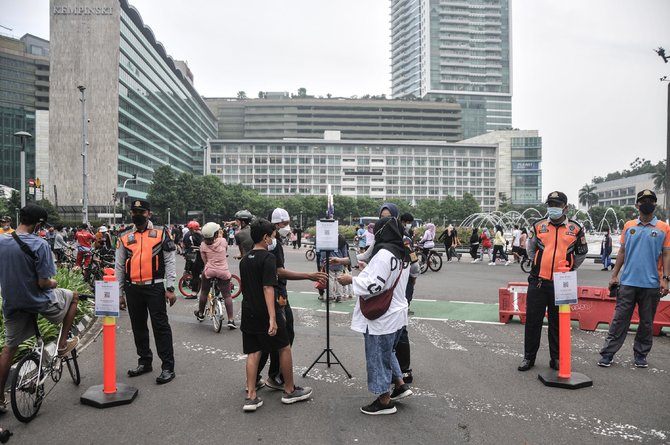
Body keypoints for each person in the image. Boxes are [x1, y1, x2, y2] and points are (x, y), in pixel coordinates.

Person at [0, 204, 79, 413]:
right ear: (38, 224)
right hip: (38, 300)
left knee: (9, 348)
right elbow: (44, 283)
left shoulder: (1, 241)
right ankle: (62, 344)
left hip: (12, 303)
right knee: (74, 297)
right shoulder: (40, 244)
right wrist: (53, 283)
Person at [337, 217, 412, 415]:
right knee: (387, 352)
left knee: (377, 356)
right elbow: (387, 278)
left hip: (382, 317)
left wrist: (350, 280)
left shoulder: (384, 254)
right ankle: (400, 384)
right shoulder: (402, 252)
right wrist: (366, 270)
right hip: (397, 312)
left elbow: (375, 285)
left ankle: (384, 400)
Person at [240, 218, 313, 412]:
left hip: (248, 311)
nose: (274, 239)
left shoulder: (245, 259)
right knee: (284, 347)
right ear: (265, 237)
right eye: (272, 236)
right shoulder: (268, 258)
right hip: (266, 311)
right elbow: (268, 287)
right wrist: (272, 318)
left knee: (253, 351)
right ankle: (289, 390)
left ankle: (251, 396)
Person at [598, 189, 670, 368]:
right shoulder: (629, 225)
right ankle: (607, 353)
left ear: (655, 204)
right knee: (619, 320)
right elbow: (622, 251)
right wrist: (614, 275)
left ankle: (640, 355)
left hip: (651, 284)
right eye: (643, 200)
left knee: (646, 323)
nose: (647, 203)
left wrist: (666, 279)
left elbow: (667, 254)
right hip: (628, 282)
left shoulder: (663, 228)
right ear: (637, 204)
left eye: (651, 201)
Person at [518, 191, 588, 372]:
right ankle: (529, 357)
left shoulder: (575, 228)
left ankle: (556, 358)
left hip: (562, 284)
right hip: (539, 282)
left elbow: (581, 253)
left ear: (565, 207)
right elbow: (531, 250)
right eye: (551, 204)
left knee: (558, 323)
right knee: (533, 322)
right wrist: (538, 265)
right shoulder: (538, 226)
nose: (553, 208)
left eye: (557, 205)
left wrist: (569, 268)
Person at [258, 208, 327, 391]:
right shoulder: (273, 245)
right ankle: (280, 378)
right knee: (284, 337)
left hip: (269, 293)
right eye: (284, 224)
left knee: (269, 337)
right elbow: (278, 271)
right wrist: (308, 275)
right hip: (277, 293)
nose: (287, 227)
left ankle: (260, 376)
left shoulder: (265, 243)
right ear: (275, 225)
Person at [116, 199, 177, 384]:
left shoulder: (160, 233)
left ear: (149, 214)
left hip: (155, 287)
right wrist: (120, 293)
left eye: (141, 212)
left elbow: (169, 260)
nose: (137, 215)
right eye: (134, 212)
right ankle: (144, 361)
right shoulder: (124, 236)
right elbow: (119, 266)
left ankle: (167, 367)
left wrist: (171, 287)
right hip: (133, 288)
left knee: (160, 327)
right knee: (138, 327)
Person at [194, 222, 236, 329]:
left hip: (209, 271)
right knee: (227, 295)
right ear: (216, 234)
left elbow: (205, 261)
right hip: (223, 271)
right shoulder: (222, 241)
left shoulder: (203, 245)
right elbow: (225, 250)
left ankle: (201, 313)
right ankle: (231, 319)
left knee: (204, 292)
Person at [183, 221, 203, 299]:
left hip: (198, 256)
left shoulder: (193, 235)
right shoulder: (202, 233)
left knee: (195, 275)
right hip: (207, 255)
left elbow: (189, 245)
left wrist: (194, 248)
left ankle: (194, 293)